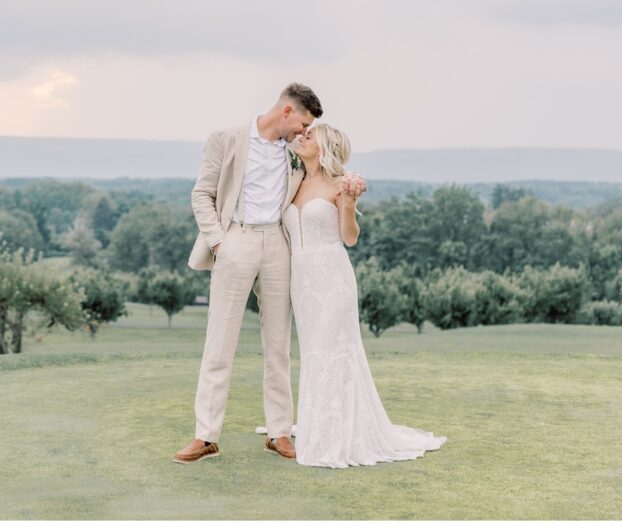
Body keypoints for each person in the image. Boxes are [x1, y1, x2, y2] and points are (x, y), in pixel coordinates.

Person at [173, 83, 363, 464]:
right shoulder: (226, 139)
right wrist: (219, 243)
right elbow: (202, 194)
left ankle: (280, 432)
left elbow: (326, 170)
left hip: (279, 245)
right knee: (219, 341)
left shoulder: (295, 151)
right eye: (303, 123)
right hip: (235, 240)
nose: (304, 133)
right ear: (288, 111)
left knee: (278, 344)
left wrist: (351, 186)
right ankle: (206, 435)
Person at [282, 122, 446, 468]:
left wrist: (349, 205)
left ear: (324, 146)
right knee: (314, 352)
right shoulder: (294, 181)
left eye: (309, 136)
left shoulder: (341, 185)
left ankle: (337, 436)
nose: (301, 138)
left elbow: (350, 237)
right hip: (302, 283)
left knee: (332, 352)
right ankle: (317, 426)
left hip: (332, 278)